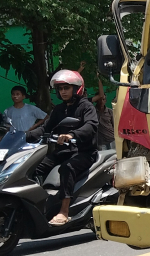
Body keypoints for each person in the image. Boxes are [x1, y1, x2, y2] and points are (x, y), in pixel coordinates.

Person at [29, 70, 99, 225]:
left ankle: (64, 211)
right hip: (62, 152)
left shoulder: (86, 106)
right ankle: (39, 205)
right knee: (35, 168)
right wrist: (24, 135)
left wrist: (72, 135)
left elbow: (91, 126)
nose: (63, 91)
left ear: (76, 88)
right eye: (60, 89)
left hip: (84, 153)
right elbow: (46, 128)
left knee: (66, 168)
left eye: (66, 88)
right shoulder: (59, 110)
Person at [92, 79, 115, 150]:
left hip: (111, 140)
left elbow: (114, 125)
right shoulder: (92, 111)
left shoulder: (110, 111)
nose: (101, 101)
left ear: (105, 101)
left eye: (103, 99)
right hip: (100, 142)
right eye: (99, 99)